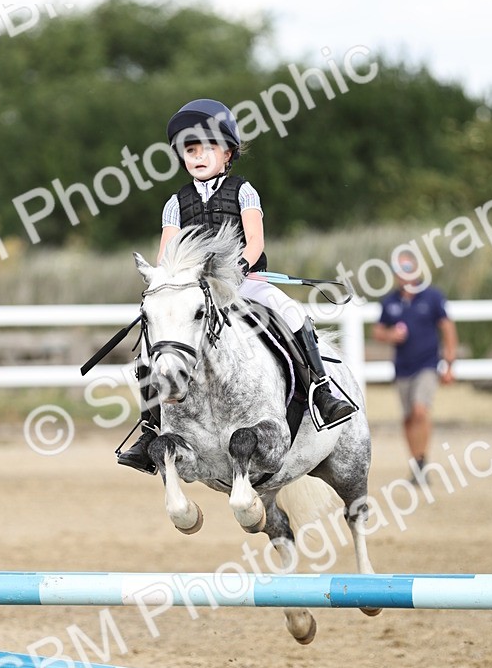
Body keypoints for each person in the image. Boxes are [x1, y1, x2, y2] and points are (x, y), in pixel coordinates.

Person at [117, 98, 355, 473]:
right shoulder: (175, 204)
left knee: (292, 312)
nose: (197, 156)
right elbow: (168, 254)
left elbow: (255, 241)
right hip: (196, 290)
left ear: (228, 153)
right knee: (151, 350)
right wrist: (166, 281)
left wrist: (240, 267)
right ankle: (150, 429)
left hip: (243, 283)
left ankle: (321, 392)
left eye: (207, 148)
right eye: (190, 150)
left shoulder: (243, 191)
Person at [372, 250, 459, 482]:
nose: (403, 274)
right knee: (409, 417)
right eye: (399, 270)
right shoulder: (390, 301)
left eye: (407, 268)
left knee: (421, 411)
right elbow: (378, 331)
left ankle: (422, 460)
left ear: (417, 269)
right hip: (402, 366)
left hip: (428, 364)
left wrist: (449, 363)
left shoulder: (432, 297)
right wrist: (391, 335)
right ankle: (417, 464)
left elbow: (448, 329)